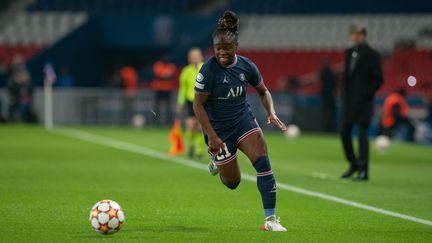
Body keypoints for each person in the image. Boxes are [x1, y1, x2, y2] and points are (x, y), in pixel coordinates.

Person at [193, 10, 287, 231]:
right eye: (218, 49)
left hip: (243, 121)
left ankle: (270, 220)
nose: (222, 52)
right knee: (232, 183)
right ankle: (217, 160)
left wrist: (270, 112)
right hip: (218, 130)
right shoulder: (208, 70)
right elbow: (197, 105)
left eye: (226, 48)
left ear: (236, 47)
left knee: (262, 160)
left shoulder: (247, 66)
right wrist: (212, 137)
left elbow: (263, 91)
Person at [340, 25, 383, 181]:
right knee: (344, 132)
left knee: (362, 135)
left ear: (364, 35)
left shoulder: (372, 54)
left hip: (363, 102)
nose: (355, 37)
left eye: (358, 34)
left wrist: (366, 93)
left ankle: (364, 171)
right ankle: (354, 164)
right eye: (353, 34)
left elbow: (379, 79)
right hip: (349, 101)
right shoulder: (349, 53)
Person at [176, 48, 205, 159]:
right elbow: (183, 88)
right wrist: (180, 103)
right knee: (190, 126)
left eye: (196, 56)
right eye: (192, 56)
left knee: (201, 127)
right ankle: (192, 145)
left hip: (203, 101)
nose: (194, 58)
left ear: (201, 57)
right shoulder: (186, 71)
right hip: (190, 101)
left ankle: (199, 150)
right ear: (189, 59)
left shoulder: (205, 68)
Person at [151, 60, 176, 125]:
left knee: (168, 106)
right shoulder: (158, 65)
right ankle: (155, 121)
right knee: (156, 106)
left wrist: (163, 74)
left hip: (167, 89)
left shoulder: (170, 65)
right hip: (158, 88)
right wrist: (163, 74)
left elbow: (169, 74)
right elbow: (159, 74)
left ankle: (168, 121)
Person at [320, 58, 337, 133]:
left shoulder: (326, 72)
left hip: (328, 96)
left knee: (329, 113)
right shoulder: (328, 73)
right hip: (328, 96)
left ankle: (328, 128)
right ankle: (328, 128)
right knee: (328, 113)